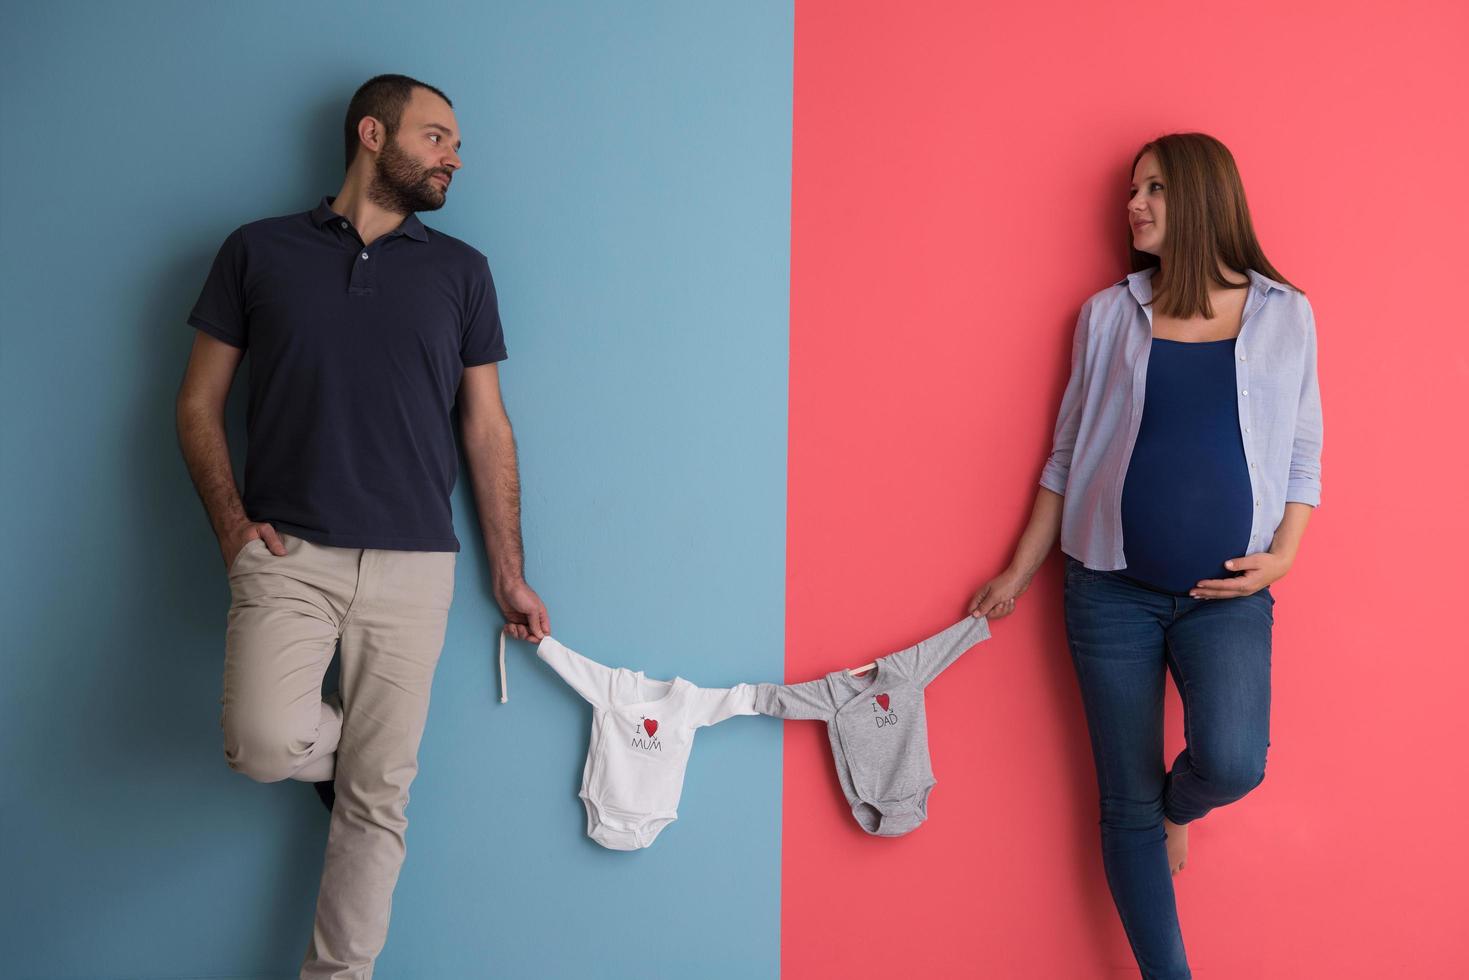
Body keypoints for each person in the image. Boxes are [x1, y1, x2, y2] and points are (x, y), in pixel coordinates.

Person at [174, 74, 550, 979]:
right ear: (372, 135)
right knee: (265, 744)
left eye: (456, 141)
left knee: (377, 804)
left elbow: (486, 427)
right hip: (288, 553)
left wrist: (509, 572)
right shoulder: (256, 251)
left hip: (417, 563)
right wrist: (231, 527)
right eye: (437, 137)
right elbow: (197, 403)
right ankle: (368, 759)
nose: (454, 155)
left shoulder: (462, 271)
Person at [968, 132, 1323, 979]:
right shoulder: (1105, 315)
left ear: (1202, 197)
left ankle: (1175, 808)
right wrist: (1017, 571)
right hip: (1106, 592)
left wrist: (1286, 555)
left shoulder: (1284, 314)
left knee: (1233, 761)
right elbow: (1065, 457)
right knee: (1121, 802)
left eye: (1155, 189)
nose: (1134, 205)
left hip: (1228, 594)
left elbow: (1302, 449)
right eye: (1134, 190)